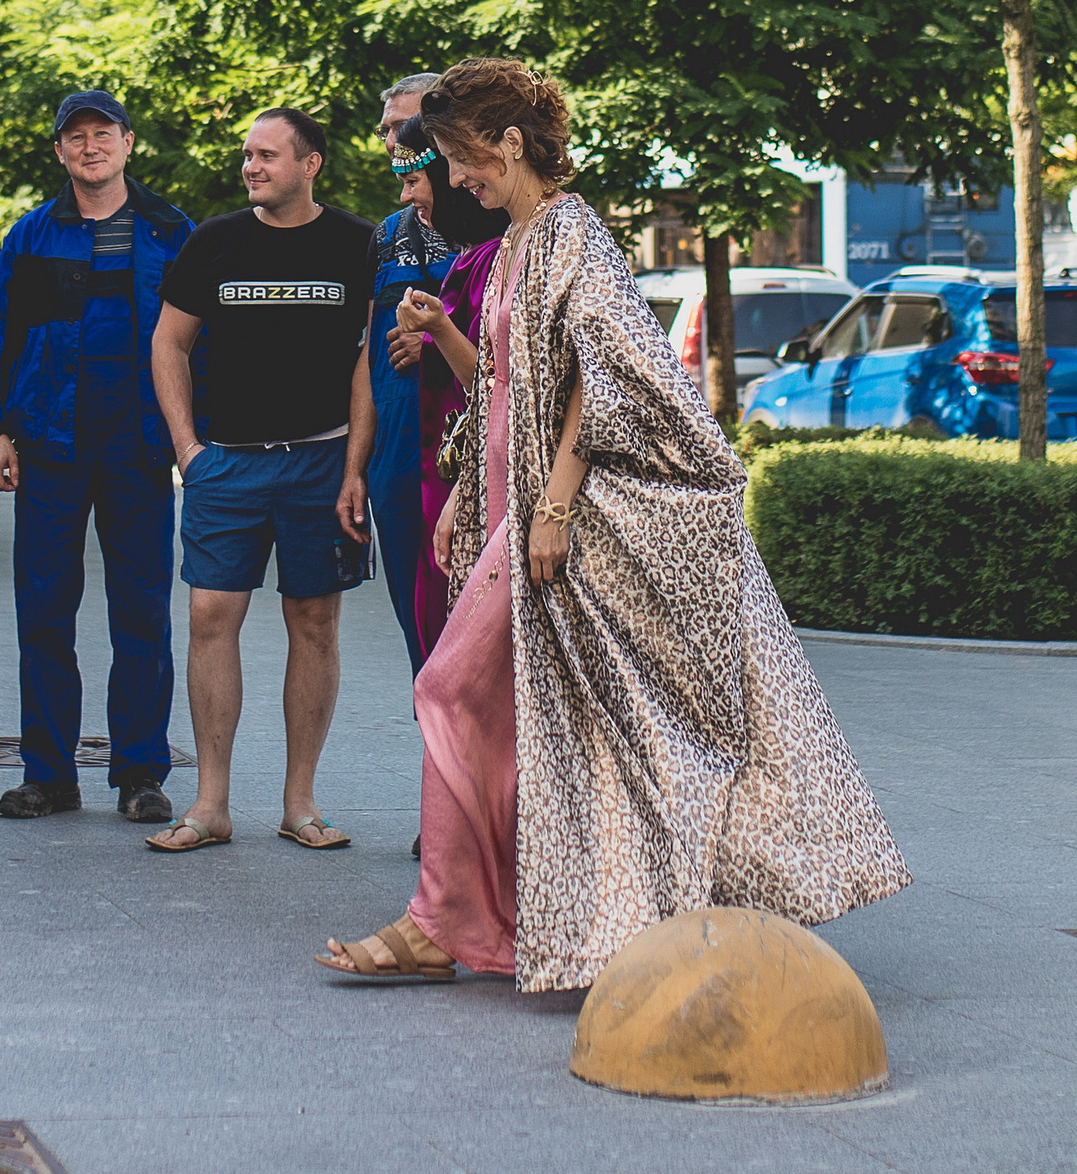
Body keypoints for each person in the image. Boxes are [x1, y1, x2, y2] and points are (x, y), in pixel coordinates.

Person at [320, 58, 909, 987]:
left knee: (479, 697)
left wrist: (551, 506)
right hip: (518, 516)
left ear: (512, 143)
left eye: (464, 157)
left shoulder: (572, 234)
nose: (457, 177)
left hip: (569, 522)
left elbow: (610, 381)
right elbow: (509, 391)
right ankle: (498, 918)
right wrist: (471, 482)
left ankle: (457, 920)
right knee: (538, 722)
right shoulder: (516, 245)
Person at [145, 107, 374, 856]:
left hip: (320, 459)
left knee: (314, 622)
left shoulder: (354, 243)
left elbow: (366, 363)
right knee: (211, 614)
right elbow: (169, 342)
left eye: (268, 155)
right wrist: (189, 449)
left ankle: (298, 801)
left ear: (311, 164)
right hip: (228, 463)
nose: (251, 166)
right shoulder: (214, 242)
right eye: (247, 155)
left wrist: (353, 467)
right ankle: (210, 803)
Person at [0, 90, 194, 824]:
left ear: (129, 143)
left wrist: (193, 436)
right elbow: (0, 334)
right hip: (49, 446)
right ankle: (49, 773)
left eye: (104, 134)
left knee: (141, 612)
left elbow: (201, 340)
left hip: (137, 445)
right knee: (42, 612)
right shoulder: (31, 236)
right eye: (77, 137)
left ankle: (140, 771)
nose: (90, 146)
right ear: (61, 150)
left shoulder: (171, 232)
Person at [382, 115, 506, 662]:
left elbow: (501, 383)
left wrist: (437, 330)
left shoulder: (500, 256)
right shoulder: (473, 256)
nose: (409, 197)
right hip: (447, 473)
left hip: (482, 481)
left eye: (415, 179)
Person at [364, 74, 452, 672]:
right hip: (396, 458)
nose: (393, 140)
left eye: (404, 127)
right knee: (418, 629)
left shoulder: (501, 232)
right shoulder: (386, 235)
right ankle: (438, 764)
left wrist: (442, 340)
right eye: (387, 130)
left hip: (463, 453)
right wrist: (355, 467)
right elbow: (364, 353)